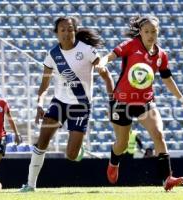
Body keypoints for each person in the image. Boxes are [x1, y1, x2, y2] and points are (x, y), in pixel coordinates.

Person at [98, 16, 183, 191]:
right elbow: (110, 56)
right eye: (147, 31)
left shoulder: (161, 55)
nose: (150, 35)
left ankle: (167, 178)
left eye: (154, 32)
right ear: (141, 32)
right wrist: (102, 63)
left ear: (158, 33)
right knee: (122, 143)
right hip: (122, 101)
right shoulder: (131, 45)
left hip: (146, 102)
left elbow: (167, 79)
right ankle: (114, 161)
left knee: (158, 134)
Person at [20, 16, 114, 192]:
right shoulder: (52, 55)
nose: (66, 33)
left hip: (81, 105)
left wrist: (112, 101)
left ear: (75, 31)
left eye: (70, 29)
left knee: (71, 156)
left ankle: (79, 148)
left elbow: (106, 75)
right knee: (42, 141)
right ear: (56, 33)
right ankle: (30, 185)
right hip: (59, 102)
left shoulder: (87, 51)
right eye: (62, 29)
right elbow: (44, 85)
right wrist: (39, 104)